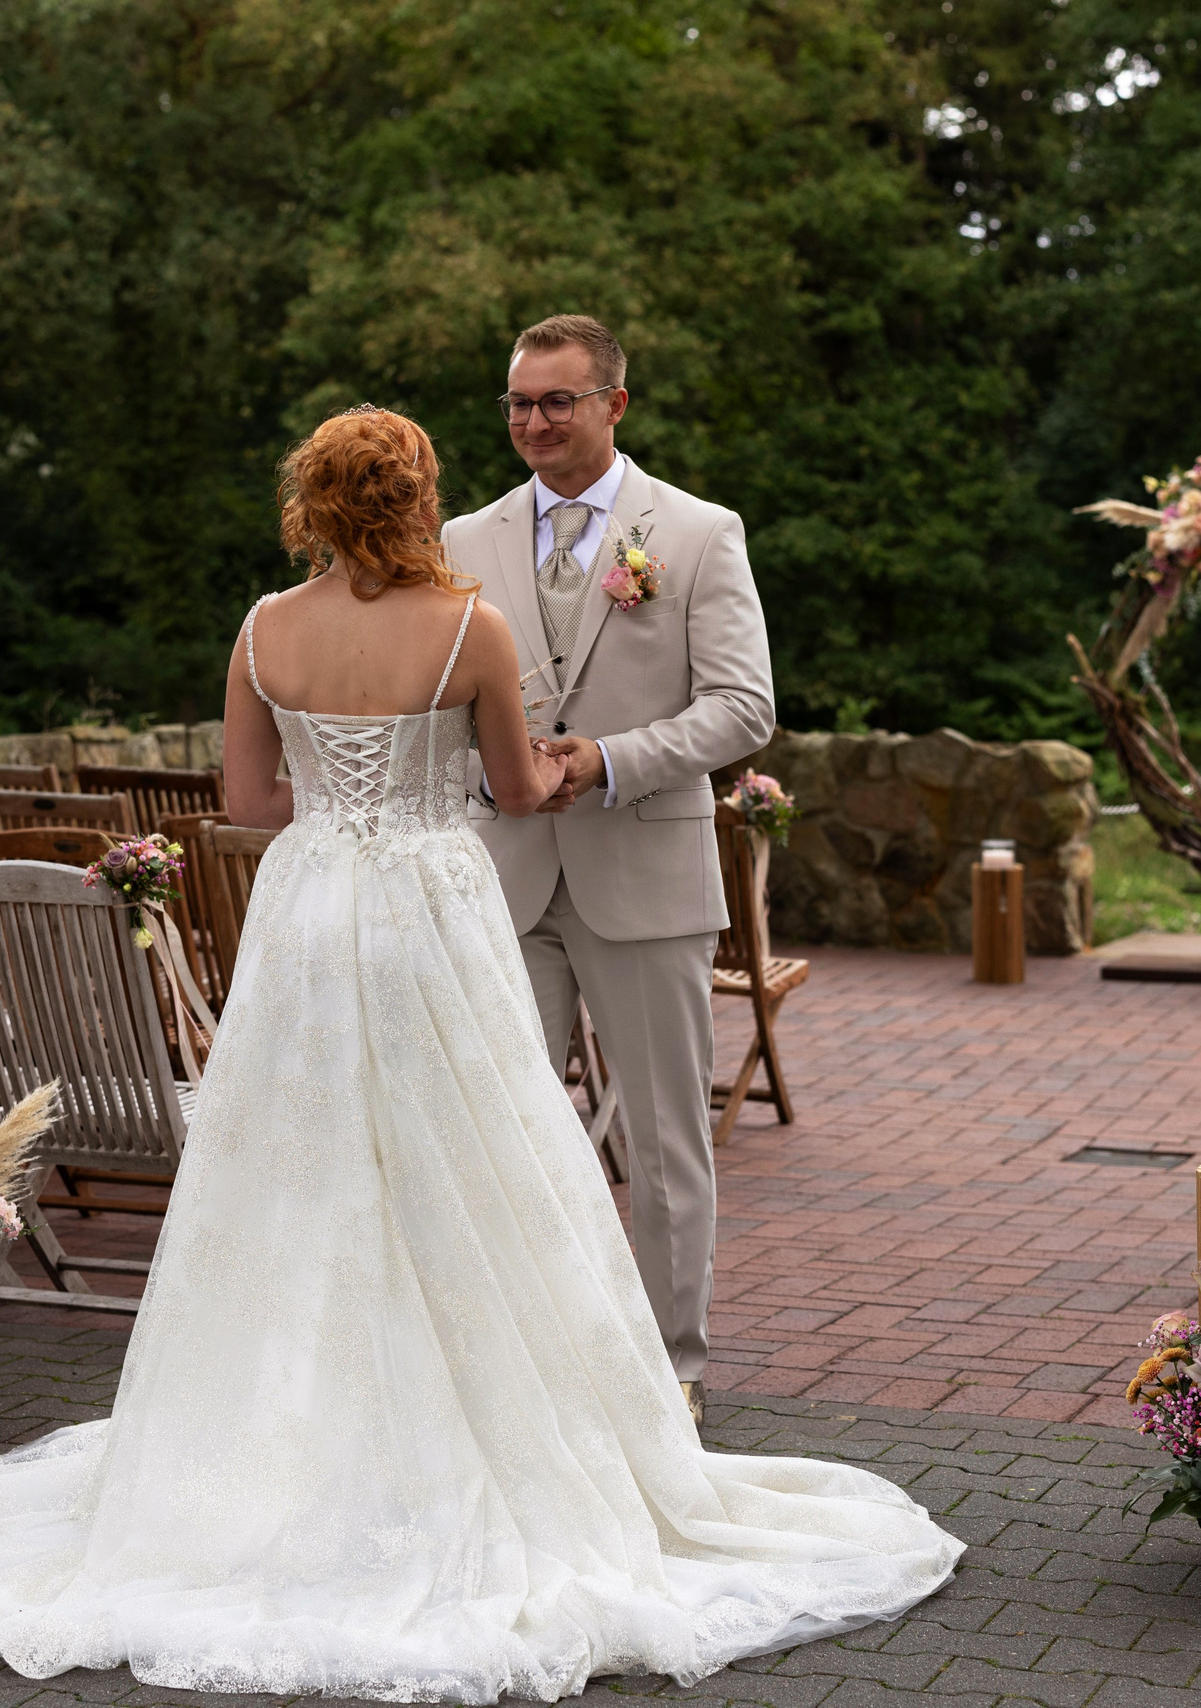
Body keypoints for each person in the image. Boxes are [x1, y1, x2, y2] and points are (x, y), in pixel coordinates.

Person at [0, 406, 960, 1701]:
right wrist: (521, 771)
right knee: (470, 1162)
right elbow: (519, 791)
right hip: (432, 912)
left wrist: (338, 807)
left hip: (312, 911)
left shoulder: (265, 629)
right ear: (419, 497)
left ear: (310, 502)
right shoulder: (472, 627)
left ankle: (289, 1449)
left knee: (302, 1169)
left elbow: (249, 806)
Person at [447, 314, 772, 1423]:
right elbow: (439, 707)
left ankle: (669, 1367)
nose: (533, 422)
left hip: (645, 872)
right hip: (502, 876)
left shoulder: (694, 530)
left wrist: (610, 760)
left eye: (557, 401)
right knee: (505, 1132)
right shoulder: (460, 541)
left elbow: (743, 707)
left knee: (667, 1139)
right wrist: (483, 777)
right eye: (518, 403)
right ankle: (525, 1361)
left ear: (613, 405)